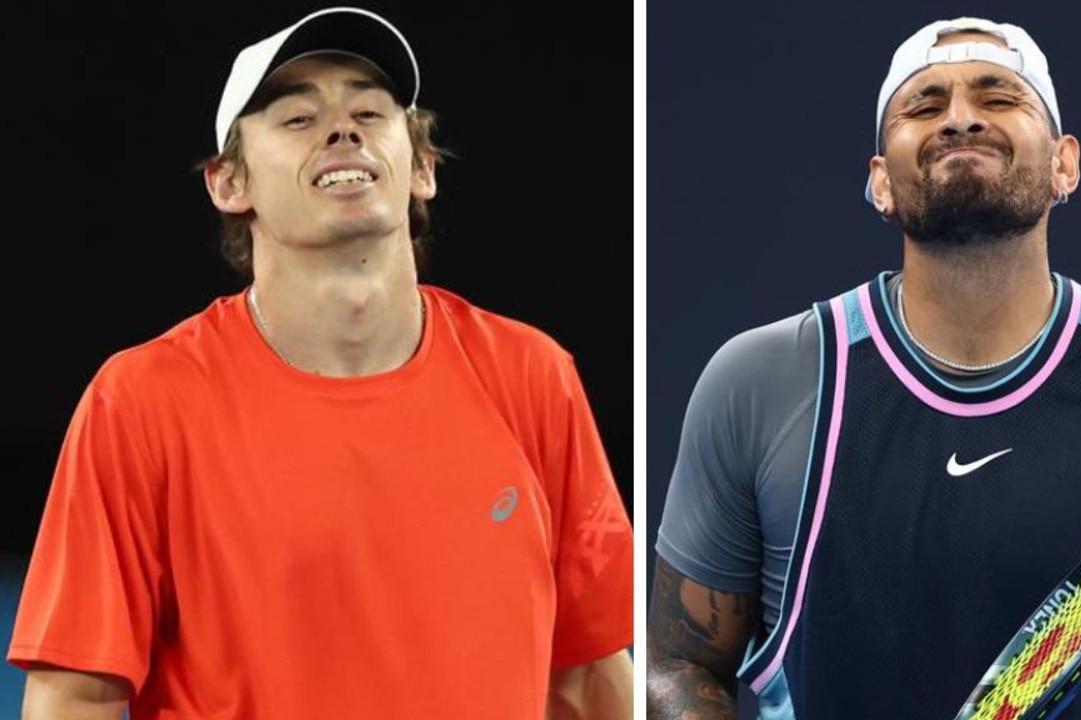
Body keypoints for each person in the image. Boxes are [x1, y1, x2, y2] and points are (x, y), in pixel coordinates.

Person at [7, 7, 634, 719]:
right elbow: (73, 699)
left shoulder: (534, 375)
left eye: (370, 110)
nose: (344, 127)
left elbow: (586, 678)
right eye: (297, 119)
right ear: (227, 185)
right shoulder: (142, 401)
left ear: (421, 168)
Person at [647, 16, 1081, 720]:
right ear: (881, 182)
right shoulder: (758, 385)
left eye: (999, 97)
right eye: (924, 105)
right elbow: (677, 665)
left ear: (1065, 164)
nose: (959, 119)